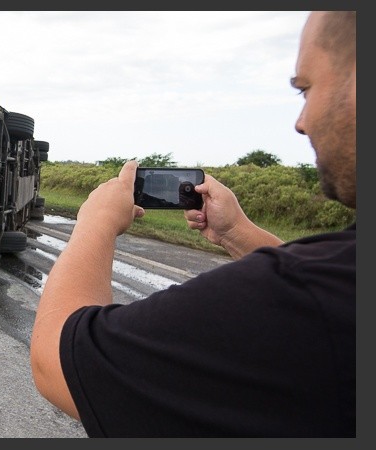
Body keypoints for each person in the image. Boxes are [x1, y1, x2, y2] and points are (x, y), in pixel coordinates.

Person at [29, 11, 355, 437]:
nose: (300, 121)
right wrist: (236, 233)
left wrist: (96, 223)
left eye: (306, 89)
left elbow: (57, 360)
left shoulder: (311, 296)